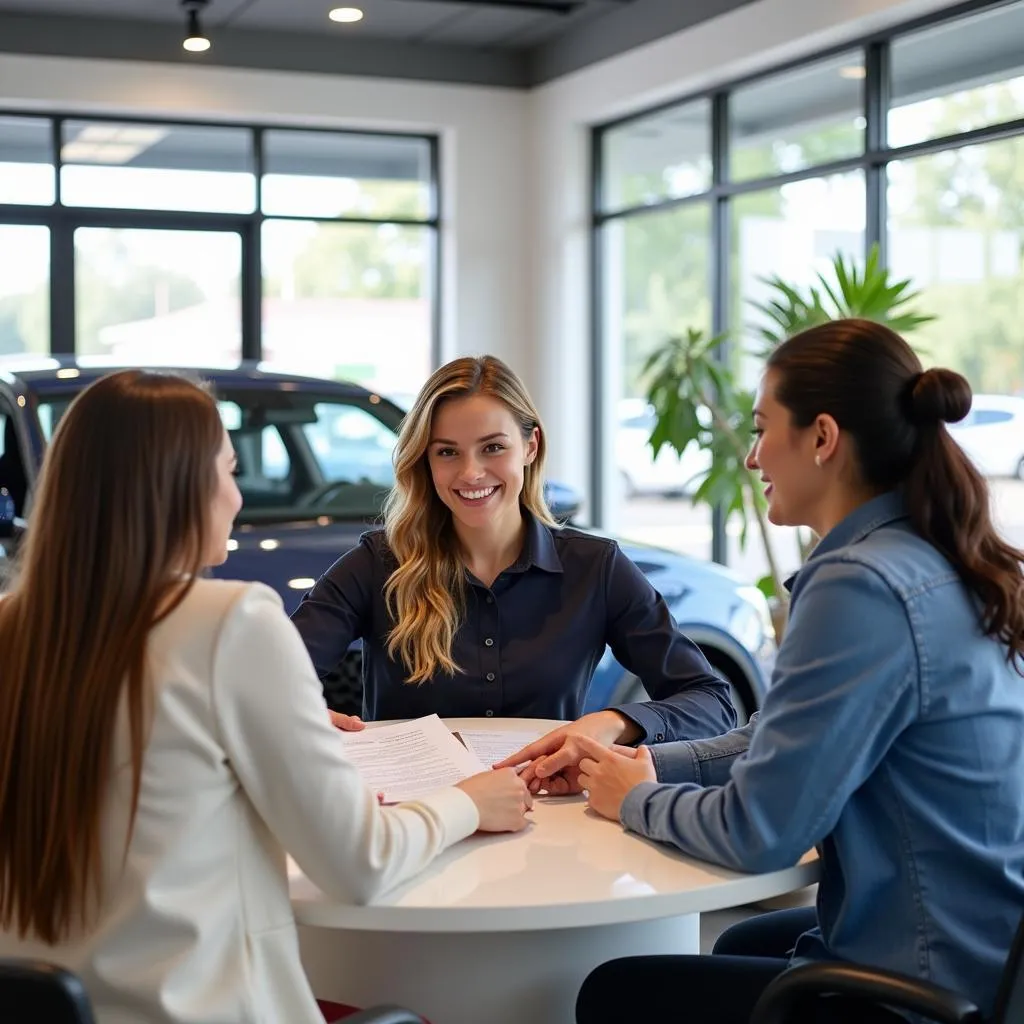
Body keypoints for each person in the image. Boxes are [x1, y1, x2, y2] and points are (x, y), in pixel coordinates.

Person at [0, 370, 531, 1024]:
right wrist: (467, 803)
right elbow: (360, 865)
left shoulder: (11, 626)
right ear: (178, 488)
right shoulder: (230, 620)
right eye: (227, 470)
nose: (235, 497)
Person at [548, 319, 1024, 1024]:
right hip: (984, 941)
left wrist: (632, 800)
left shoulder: (861, 586)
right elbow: (779, 738)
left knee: (614, 992)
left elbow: (759, 833)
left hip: (928, 984)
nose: (751, 456)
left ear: (823, 438)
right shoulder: (930, 553)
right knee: (743, 937)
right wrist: (643, 762)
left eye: (763, 427)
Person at [291, 354, 735, 754]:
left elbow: (711, 701)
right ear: (425, 461)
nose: (471, 472)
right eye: (447, 452)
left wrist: (617, 721)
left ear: (531, 446)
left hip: (551, 822)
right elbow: (269, 677)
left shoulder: (594, 568)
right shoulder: (377, 565)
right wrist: (301, 720)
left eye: (493, 448)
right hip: (417, 826)